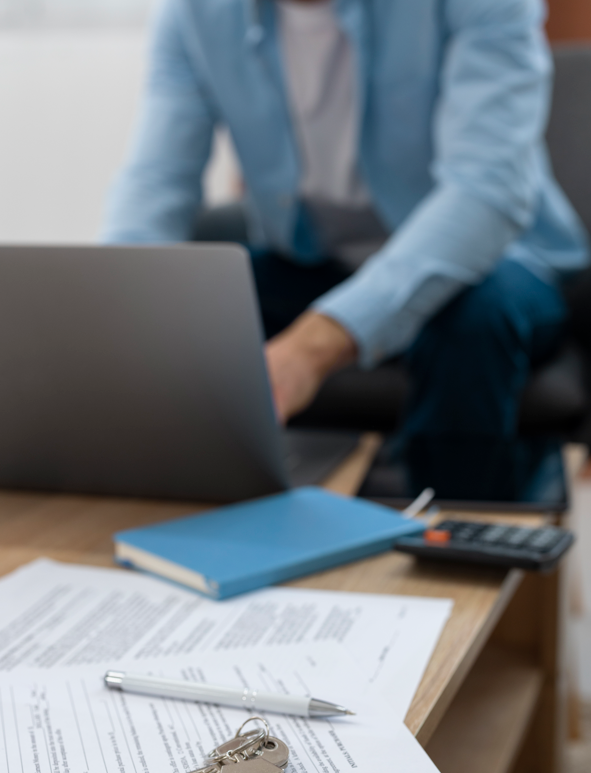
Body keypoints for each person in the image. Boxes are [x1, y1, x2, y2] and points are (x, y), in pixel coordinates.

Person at [103, 0, 589, 443]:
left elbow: (486, 190)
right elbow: (158, 180)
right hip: (319, 262)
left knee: (476, 318)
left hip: (497, 264)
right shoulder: (194, 15)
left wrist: (314, 345)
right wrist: (111, 312)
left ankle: (452, 525)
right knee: (189, 304)